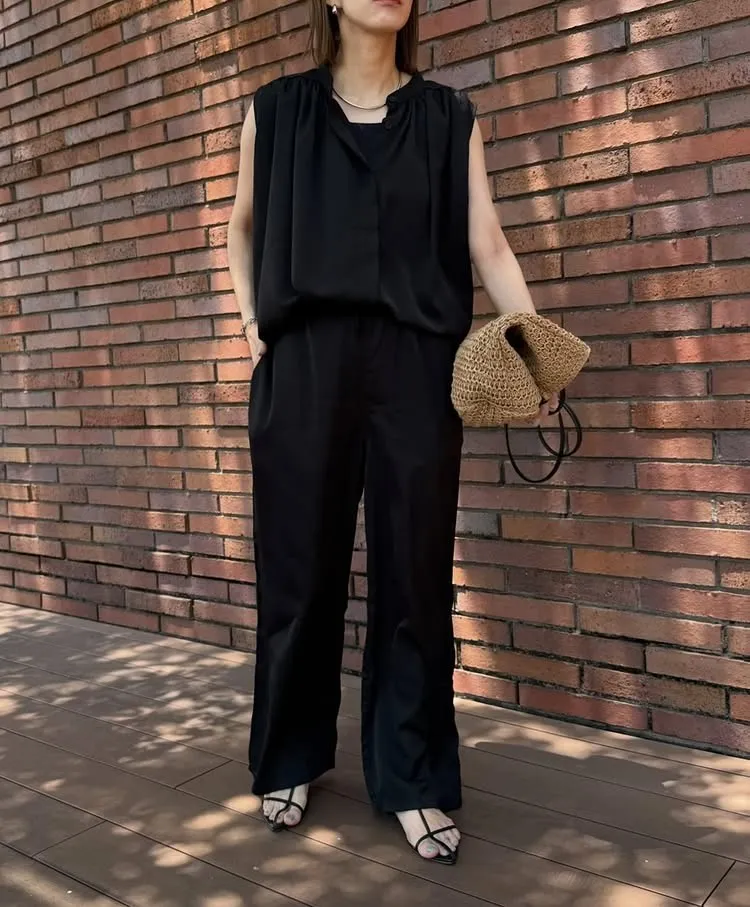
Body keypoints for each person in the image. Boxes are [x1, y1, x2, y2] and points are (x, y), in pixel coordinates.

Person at [228, 0, 555, 865]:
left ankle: (412, 776)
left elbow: (489, 244)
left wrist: (534, 350)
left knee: (415, 574)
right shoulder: (277, 110)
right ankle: (288, 755)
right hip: (306, 360)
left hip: (417, 367)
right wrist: (251, 323)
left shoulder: (449, 118)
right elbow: (241, 226)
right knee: (299, 569)